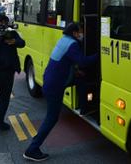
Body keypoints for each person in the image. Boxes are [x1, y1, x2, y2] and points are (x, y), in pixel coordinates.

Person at [23, 22, 97, 161]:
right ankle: (32, 149)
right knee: (52, 118)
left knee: (81, 80)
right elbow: (83, 61)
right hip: (55, 85)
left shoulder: (64, 40)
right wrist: (101, 54)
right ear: (75, 33)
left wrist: (76, 72)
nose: (82, 34)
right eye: (81, 31)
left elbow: (65, 61)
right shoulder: (72, 44)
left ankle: (84, 108)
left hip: (53, 80)